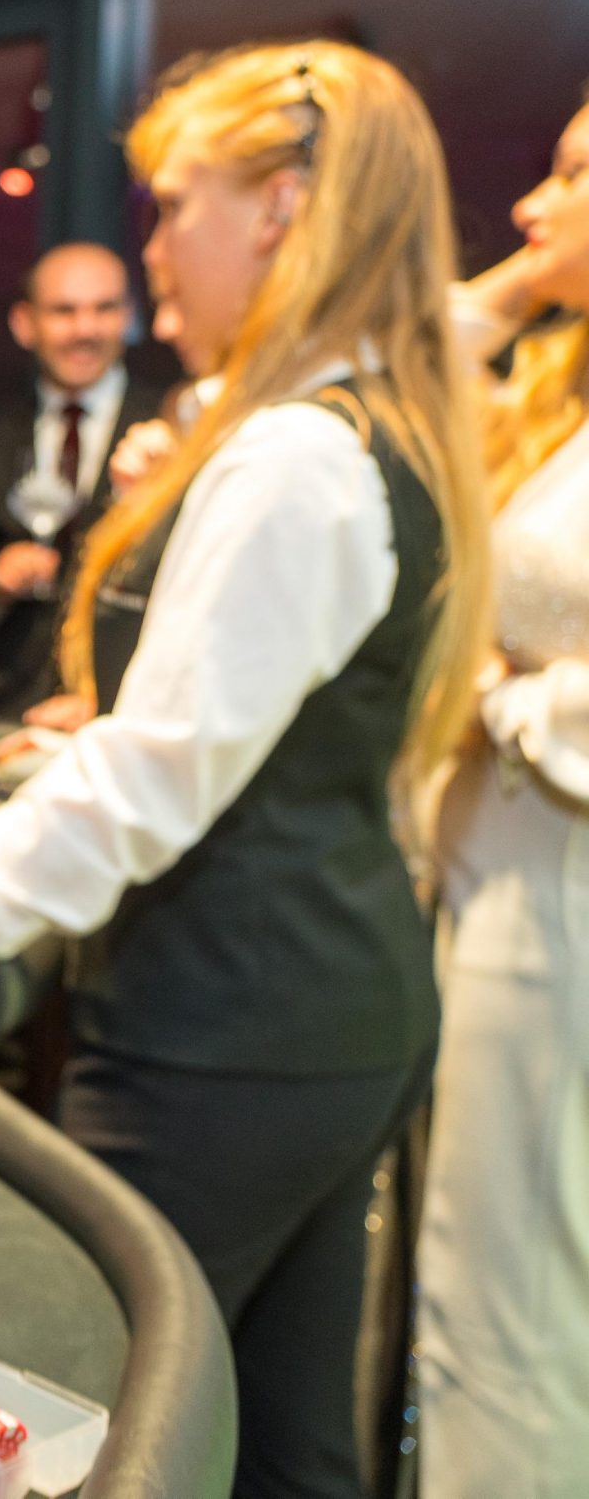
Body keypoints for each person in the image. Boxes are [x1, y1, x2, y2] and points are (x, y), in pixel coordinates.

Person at [0, 41, 493, 1498]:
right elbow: (242, 747)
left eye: (174, 206)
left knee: (99, 1436)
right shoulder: (378, 426)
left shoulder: (294, 456)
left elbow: (158, 780)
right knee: (285, 1443)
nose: (154, 248)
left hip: (227, 1028)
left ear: (280, 209)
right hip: (336, 1002)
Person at [413, 88, 589, 1497]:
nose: (532, 207)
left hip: (561, 893)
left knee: (519, 1280)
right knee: (478, 1259)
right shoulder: (563, 389)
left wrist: (494, 695)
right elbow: (409, 368)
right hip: (502, 870)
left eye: (574, 176)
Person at [0, 243, 168, 716]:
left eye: (104, 309)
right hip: (10, 706)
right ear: (25, 323)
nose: (85, 329)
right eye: (64, 311)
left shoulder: (170, 427)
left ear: (128, 317)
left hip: (132, 706)